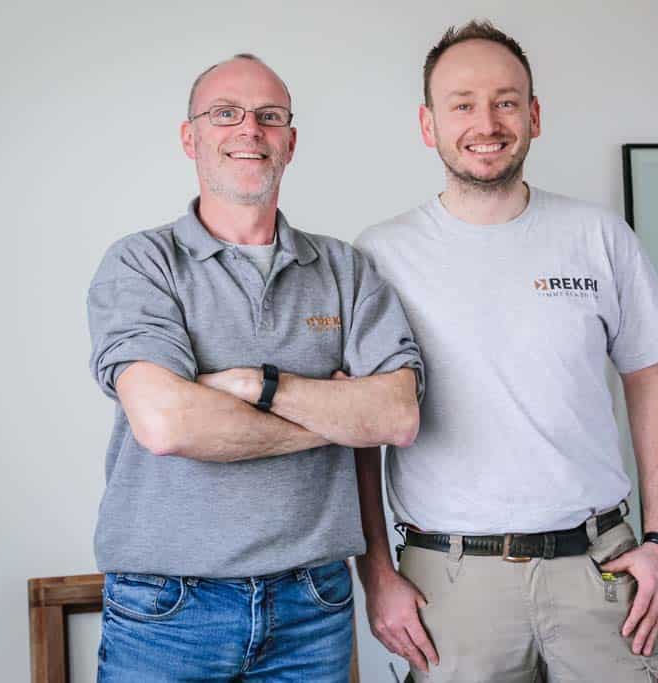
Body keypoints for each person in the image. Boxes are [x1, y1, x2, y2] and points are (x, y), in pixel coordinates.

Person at [353, 21, 658, 682]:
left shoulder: (598, 236)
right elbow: (361, 436)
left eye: (505, 101)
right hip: (449, 583)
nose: (486, 122)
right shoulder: (380, 255)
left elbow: (653, 385)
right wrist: (377, 573)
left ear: (534, 115)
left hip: (600, 568)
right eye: (462, 104)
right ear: (428, 124)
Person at [87, 53, 424, 682]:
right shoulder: (142, 263)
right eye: (225, 114)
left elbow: (397, 416)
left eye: (269, 117)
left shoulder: (344, 269)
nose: (249, 129)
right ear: (190, 137)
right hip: (167, 609)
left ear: (290, 143)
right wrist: (336, 418)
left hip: (312, 604)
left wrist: (255, 384)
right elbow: (166, 425)